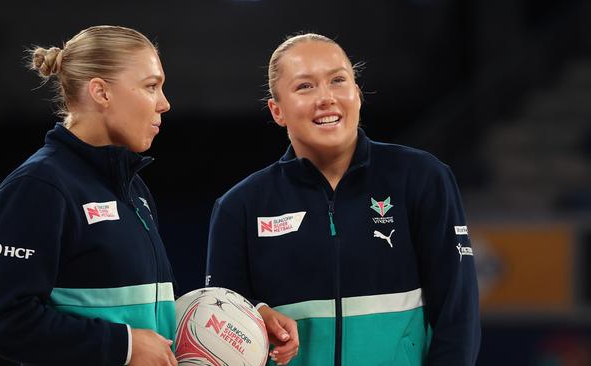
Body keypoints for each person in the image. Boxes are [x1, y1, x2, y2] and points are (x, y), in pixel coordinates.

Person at [206, 33, 480, 366]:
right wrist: (258, 314)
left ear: (357, 94)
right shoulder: (240, 207)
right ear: (277, 111)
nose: (326, 98)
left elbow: (458, 315)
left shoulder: (421, 178)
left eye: (338, 80)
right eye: (305, 86)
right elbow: (218, 325)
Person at [0, 25, 177, 366]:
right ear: (101, 92)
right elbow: (4, 320)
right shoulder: (39, 186)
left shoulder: (135, 189)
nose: (165, 104)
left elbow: (140, 314)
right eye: (151, 87)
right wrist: (123, 346)